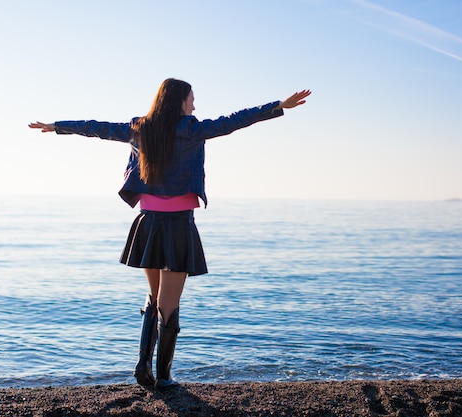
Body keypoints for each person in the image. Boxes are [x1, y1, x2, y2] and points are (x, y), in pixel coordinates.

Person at [29, 79, 310, 390]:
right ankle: (163, 376)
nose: (194, 105)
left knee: (154, 298)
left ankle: (142, 364)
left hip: (147, 223)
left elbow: (98, 128)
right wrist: (278, 107)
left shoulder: (140, 128)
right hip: (177, 225)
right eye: (192, 99)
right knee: (169, 304)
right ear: (179, 100)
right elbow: (235, 121)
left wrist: (58, 126)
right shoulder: (192, 129)